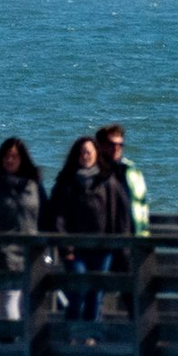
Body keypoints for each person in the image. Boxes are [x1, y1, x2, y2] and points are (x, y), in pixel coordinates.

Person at [49, 136, 130, 322]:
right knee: (77, 290)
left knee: (96, 294)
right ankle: (71, 333)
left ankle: (91, 337)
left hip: (103, 248)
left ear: (96, 155)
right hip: (74, 249)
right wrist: (65, 246)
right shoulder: (66, 182)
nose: (85, 156)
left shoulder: (108, 180)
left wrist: (119, 243)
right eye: (82, 152)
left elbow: (120, 214)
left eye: (89, 152)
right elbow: (57, 216)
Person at [0, 137, 49, 319]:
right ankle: (10, 340)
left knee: (30, 300)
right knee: (10, 297)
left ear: (22, 159)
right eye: (6, 156)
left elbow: (46, 213)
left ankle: (18, 340)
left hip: (31, 249)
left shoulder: (33, 183)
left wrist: (45, 239)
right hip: (2, 250)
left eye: (14, 156)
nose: (10, 160)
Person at [95, 124, 150, 236]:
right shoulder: (92, 172)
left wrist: (144, 236)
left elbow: (142, 204)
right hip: (100, 241)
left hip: (132, 237)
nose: (116, 148)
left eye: (120, 144)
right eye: (111, 144)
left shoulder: (132, 171)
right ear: (100, 145)